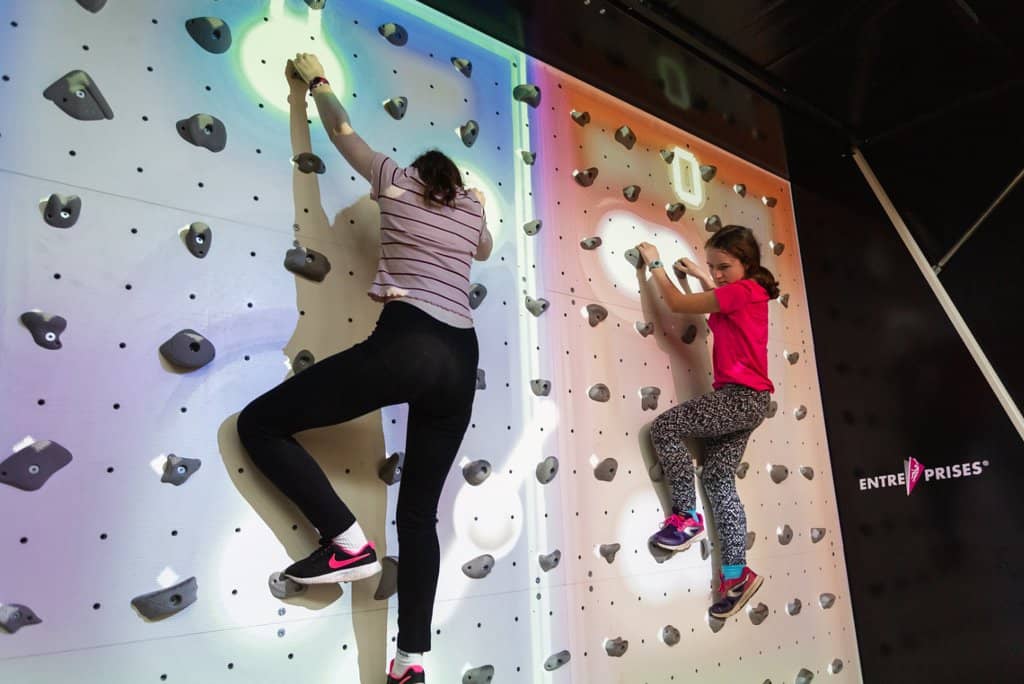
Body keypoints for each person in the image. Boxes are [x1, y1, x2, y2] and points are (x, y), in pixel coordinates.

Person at [236, 53, 493, 684]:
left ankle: (346, 542)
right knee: (420, 517)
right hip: (462, 356)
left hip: (409, 340)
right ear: (456, 184)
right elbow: (484, 249)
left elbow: (342, 131)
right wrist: (474, 201)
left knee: (260, 424)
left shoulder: (394, 178)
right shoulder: (471, 210)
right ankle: (412, 664)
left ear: (417, 176)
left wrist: (317, 83)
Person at [635, 224, 778, 619]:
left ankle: (684, 517)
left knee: (664, 428)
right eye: (712, 266)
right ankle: (736, 575)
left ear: (746, 264)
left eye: (723, 266)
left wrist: (656, 265)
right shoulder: (747, 293)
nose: (716, 274)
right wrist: (702, 276)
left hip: (739, 397)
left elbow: (681, 305)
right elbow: (718, 302)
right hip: (753, 401)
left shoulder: (744, 290)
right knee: (717, 479)